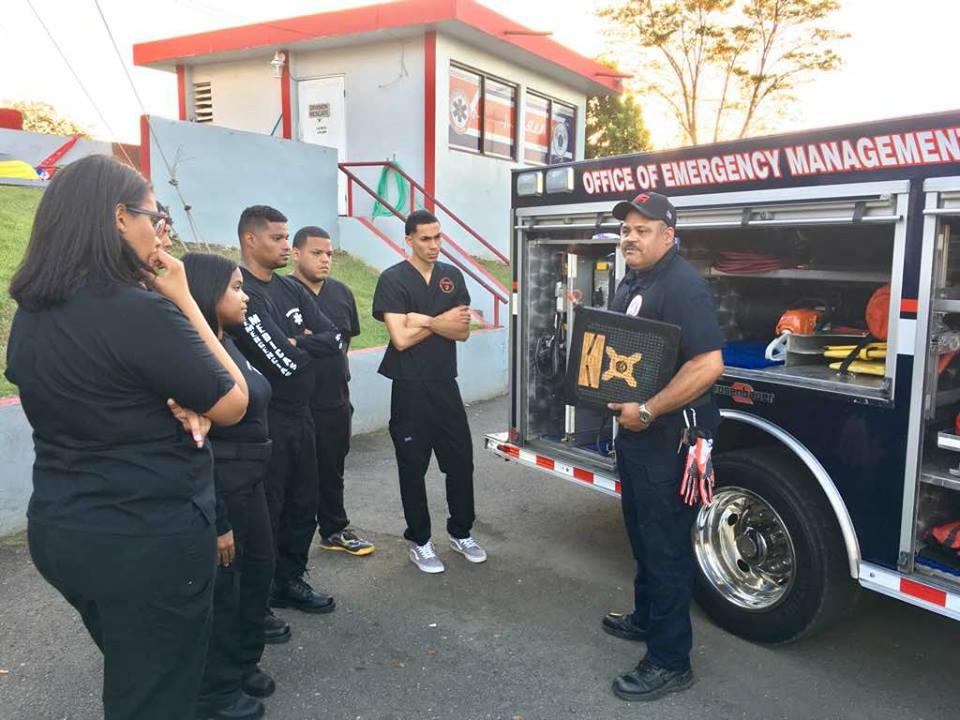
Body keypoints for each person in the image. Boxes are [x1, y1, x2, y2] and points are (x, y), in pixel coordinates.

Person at [5, 155, 249, 720]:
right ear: (119, 218)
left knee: (136, 668)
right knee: (154, 696)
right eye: (154, 216)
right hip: (146, 537)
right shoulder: (141, 313)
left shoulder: (32, 316)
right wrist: (186, 299)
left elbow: (101, 393)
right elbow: (236, 401)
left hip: (63, 532)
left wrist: (180, 400)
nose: (160, 230)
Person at [601, 192, 725, 702]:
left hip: (668, 440)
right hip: (636, 437)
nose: (630, 237)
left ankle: (671, 660)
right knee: (640, 531)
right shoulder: (633, 279)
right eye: (626, 229)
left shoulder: (683, 286)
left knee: (666, 545)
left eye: (643, 229)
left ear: (669, 236)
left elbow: (707, 364)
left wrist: (648, 410)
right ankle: (647, 618)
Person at [232, 205, 344, 616]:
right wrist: (300, 345)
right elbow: (284, 362)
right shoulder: (240, 291)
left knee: (304, 502)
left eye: (286, 236)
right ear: (251, 239)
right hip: (266, 420)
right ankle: (256, 601)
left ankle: (288, 581)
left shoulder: (290, 290)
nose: (285, 245)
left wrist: (297, 341)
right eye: (277, 238)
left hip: (304, 414)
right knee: (269, 509)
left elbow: (334, 338)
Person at [183, 253, 276, 720]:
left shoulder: (230, 341)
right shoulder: (195, 354)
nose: (245, 297)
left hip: (253, 477)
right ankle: (219, 683)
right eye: (236, 288)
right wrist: (217, 517)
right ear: (206, 292)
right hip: (224, 481)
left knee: (259, 569)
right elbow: (196, 444)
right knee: (228, 583)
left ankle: (244, 660)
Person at [371, 209, 486, 574]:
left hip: (444, 385)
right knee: (412, 466)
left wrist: (421, 319)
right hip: (408, 389)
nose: (434, 245)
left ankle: (460, 532)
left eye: (438, 237)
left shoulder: (452, 276)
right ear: (409, 240)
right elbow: (400, 339)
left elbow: (463, 331)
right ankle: (419, 542)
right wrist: (440, 322)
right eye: (425, 239)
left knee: (460, 462)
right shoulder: (392, 279)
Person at [291, 226, 374, 557]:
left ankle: (334, 529)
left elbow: (343, 340)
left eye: (329, 254)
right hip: (296, 403)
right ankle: (287, 549)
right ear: (296, 253)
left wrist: (311, 340)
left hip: (335, 399)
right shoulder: (282, 293)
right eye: (316, 253)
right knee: (294, 479)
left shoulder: (341, 293)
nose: (325, 260)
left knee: (332, 471)